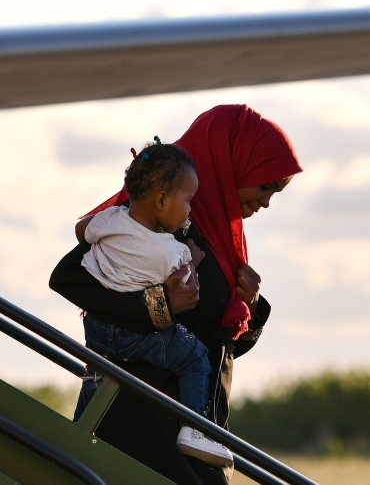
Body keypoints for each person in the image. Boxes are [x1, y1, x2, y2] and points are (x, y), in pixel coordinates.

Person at [50, 104, 302, 485]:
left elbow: (216, 342)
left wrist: (247, 306)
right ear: (229, 163)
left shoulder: (218, 237)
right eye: (264, 185)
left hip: (196, 433)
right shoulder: (146, 217)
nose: (266, 201)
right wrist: (158, 304)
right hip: (143, 425)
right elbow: (68, 279)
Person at [76, 141, 232, 466]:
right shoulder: (169, 251)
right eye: (188, 201)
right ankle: (194, 429)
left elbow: (82, 228)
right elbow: (187, 287)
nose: (191, 210)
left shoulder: (111, 220)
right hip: (134, 336)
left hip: (97, 332)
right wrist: (196, 255)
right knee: (194, 357)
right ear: (161, 200)